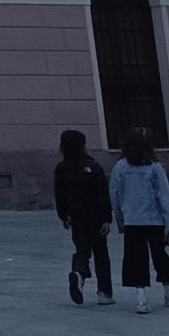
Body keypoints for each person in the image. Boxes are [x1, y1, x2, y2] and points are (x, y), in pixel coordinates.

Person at [109, 126, 169, 314]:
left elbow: (115, 196)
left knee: (135, 259)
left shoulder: (120, 167)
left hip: (132, 220)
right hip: (154, 220)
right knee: (160, 255)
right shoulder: (155, 167)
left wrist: (120, 220)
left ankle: (141, 298)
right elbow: (165, 197)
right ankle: (168, 291)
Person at [53, 129, 114, 306]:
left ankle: (78, 273)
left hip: (76, 216)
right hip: (95, 216)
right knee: (101, 254)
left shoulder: (61, 169)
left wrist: (64, 215)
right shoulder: (93, 167)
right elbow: (102, 194)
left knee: (81, 249)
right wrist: (106, 218)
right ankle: (104, 293)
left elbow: (60, 195)